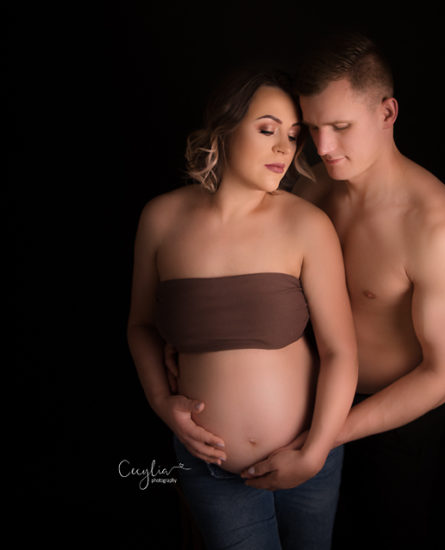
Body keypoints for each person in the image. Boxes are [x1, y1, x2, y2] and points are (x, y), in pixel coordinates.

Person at [240, 32, 445, 546]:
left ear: (388, 112)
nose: (324, 147)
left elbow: (444, 374)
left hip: (390, 420)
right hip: (302, 398)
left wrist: (325, 438)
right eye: (313, 128)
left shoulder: (438, 228)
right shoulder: (313, 187)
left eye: (341, 127)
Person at [126, 68, 358, 550]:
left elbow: (340, 351)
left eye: (293, 135)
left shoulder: (307, 224)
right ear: (225, 128)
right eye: (267, 129)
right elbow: (141, 326)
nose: (284, 148)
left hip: (307, 457)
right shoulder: (161, 219)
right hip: (211, 468)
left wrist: (314, 452)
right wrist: (161, 403)